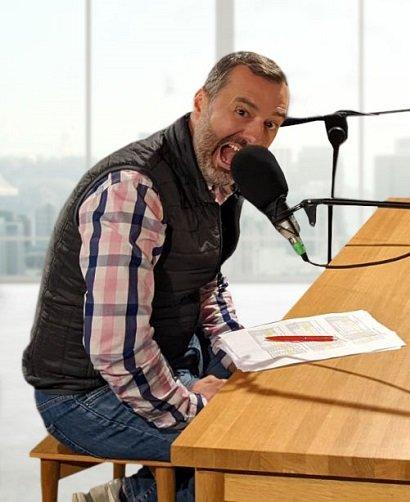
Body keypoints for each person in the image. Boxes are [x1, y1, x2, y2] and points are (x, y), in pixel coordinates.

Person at [22, 51, 290, 501]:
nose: (255, 136)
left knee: (283, 402)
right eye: (242, 112)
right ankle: (129, 498)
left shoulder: (221, 176)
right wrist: (194, 404)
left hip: (170, 354)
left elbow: (207, 281)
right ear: (202, 102)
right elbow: (118, 352)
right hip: (88, 391)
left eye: (270, 123)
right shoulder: (132, 189)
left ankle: (139, 490)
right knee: (249, 450)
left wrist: (237, 349)